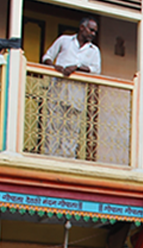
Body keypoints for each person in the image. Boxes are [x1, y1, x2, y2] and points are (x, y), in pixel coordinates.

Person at [39, 18, 102, 160]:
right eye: (91, 30)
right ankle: (50, 157)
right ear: (82, 28)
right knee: (53, 123)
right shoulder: (64, 40)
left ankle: (67, 158)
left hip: (76, 92)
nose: (93, 34)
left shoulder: (94, 50)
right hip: (58, 88)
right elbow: (47, 56)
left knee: (72, 127)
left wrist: (77, 68)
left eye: (95, 32)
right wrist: (54, 67)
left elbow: (96, 70)